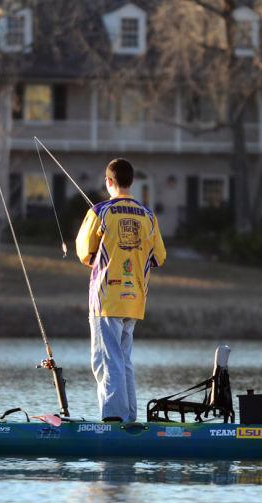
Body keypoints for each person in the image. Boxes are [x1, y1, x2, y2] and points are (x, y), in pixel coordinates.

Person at [75, 158, 166, 422]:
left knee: (106, 361)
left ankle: (114, 421)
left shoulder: (99, 211)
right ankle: (128, 418)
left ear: (108, 182)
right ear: (131, 182)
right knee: (123, 360)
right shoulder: (148, 216)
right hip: (135, 300)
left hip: (106, 300)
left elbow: (84, 253)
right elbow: (159, 256)